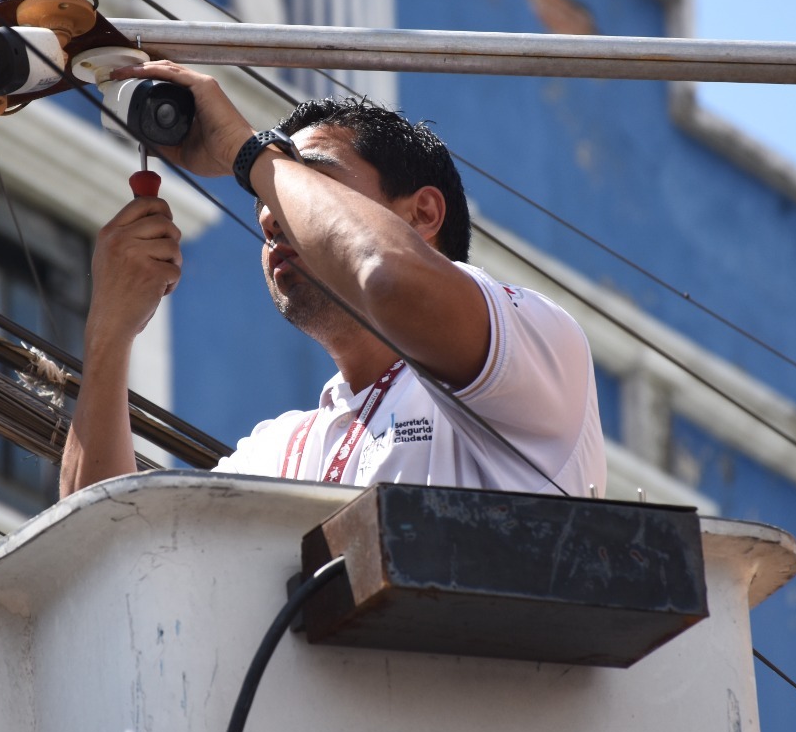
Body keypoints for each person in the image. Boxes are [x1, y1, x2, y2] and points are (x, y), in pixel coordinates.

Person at [58, 61, 608, 498]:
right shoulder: (274, 453)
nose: (271, 213)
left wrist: (248, 153)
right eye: (264, 198)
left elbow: (389, 278)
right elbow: (103, 554)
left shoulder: (537, 344)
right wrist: (108, 332)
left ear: (422, 215)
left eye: (307, 180)